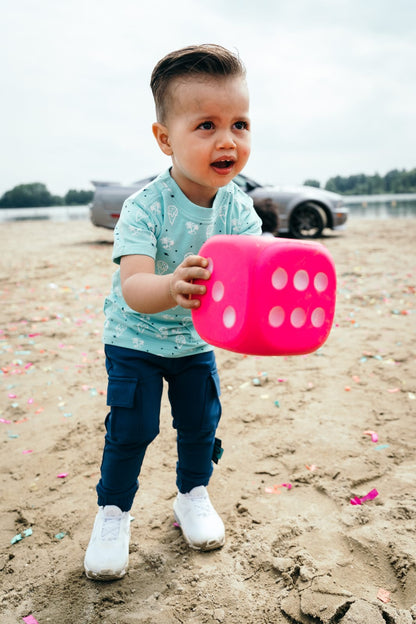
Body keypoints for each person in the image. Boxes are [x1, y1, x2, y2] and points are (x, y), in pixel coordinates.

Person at [84, 43, 262, 581]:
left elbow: (249, 281)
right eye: (206, 125)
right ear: (166, 139)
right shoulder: (144, 207)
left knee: (199, 424)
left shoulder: (240, 210)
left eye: (240, 124)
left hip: (194, 343)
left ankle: (192, 494)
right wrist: (172, 285)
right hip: (135, 338)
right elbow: (135, 285)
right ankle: (113, 513)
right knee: (132, 428)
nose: (227, 139)